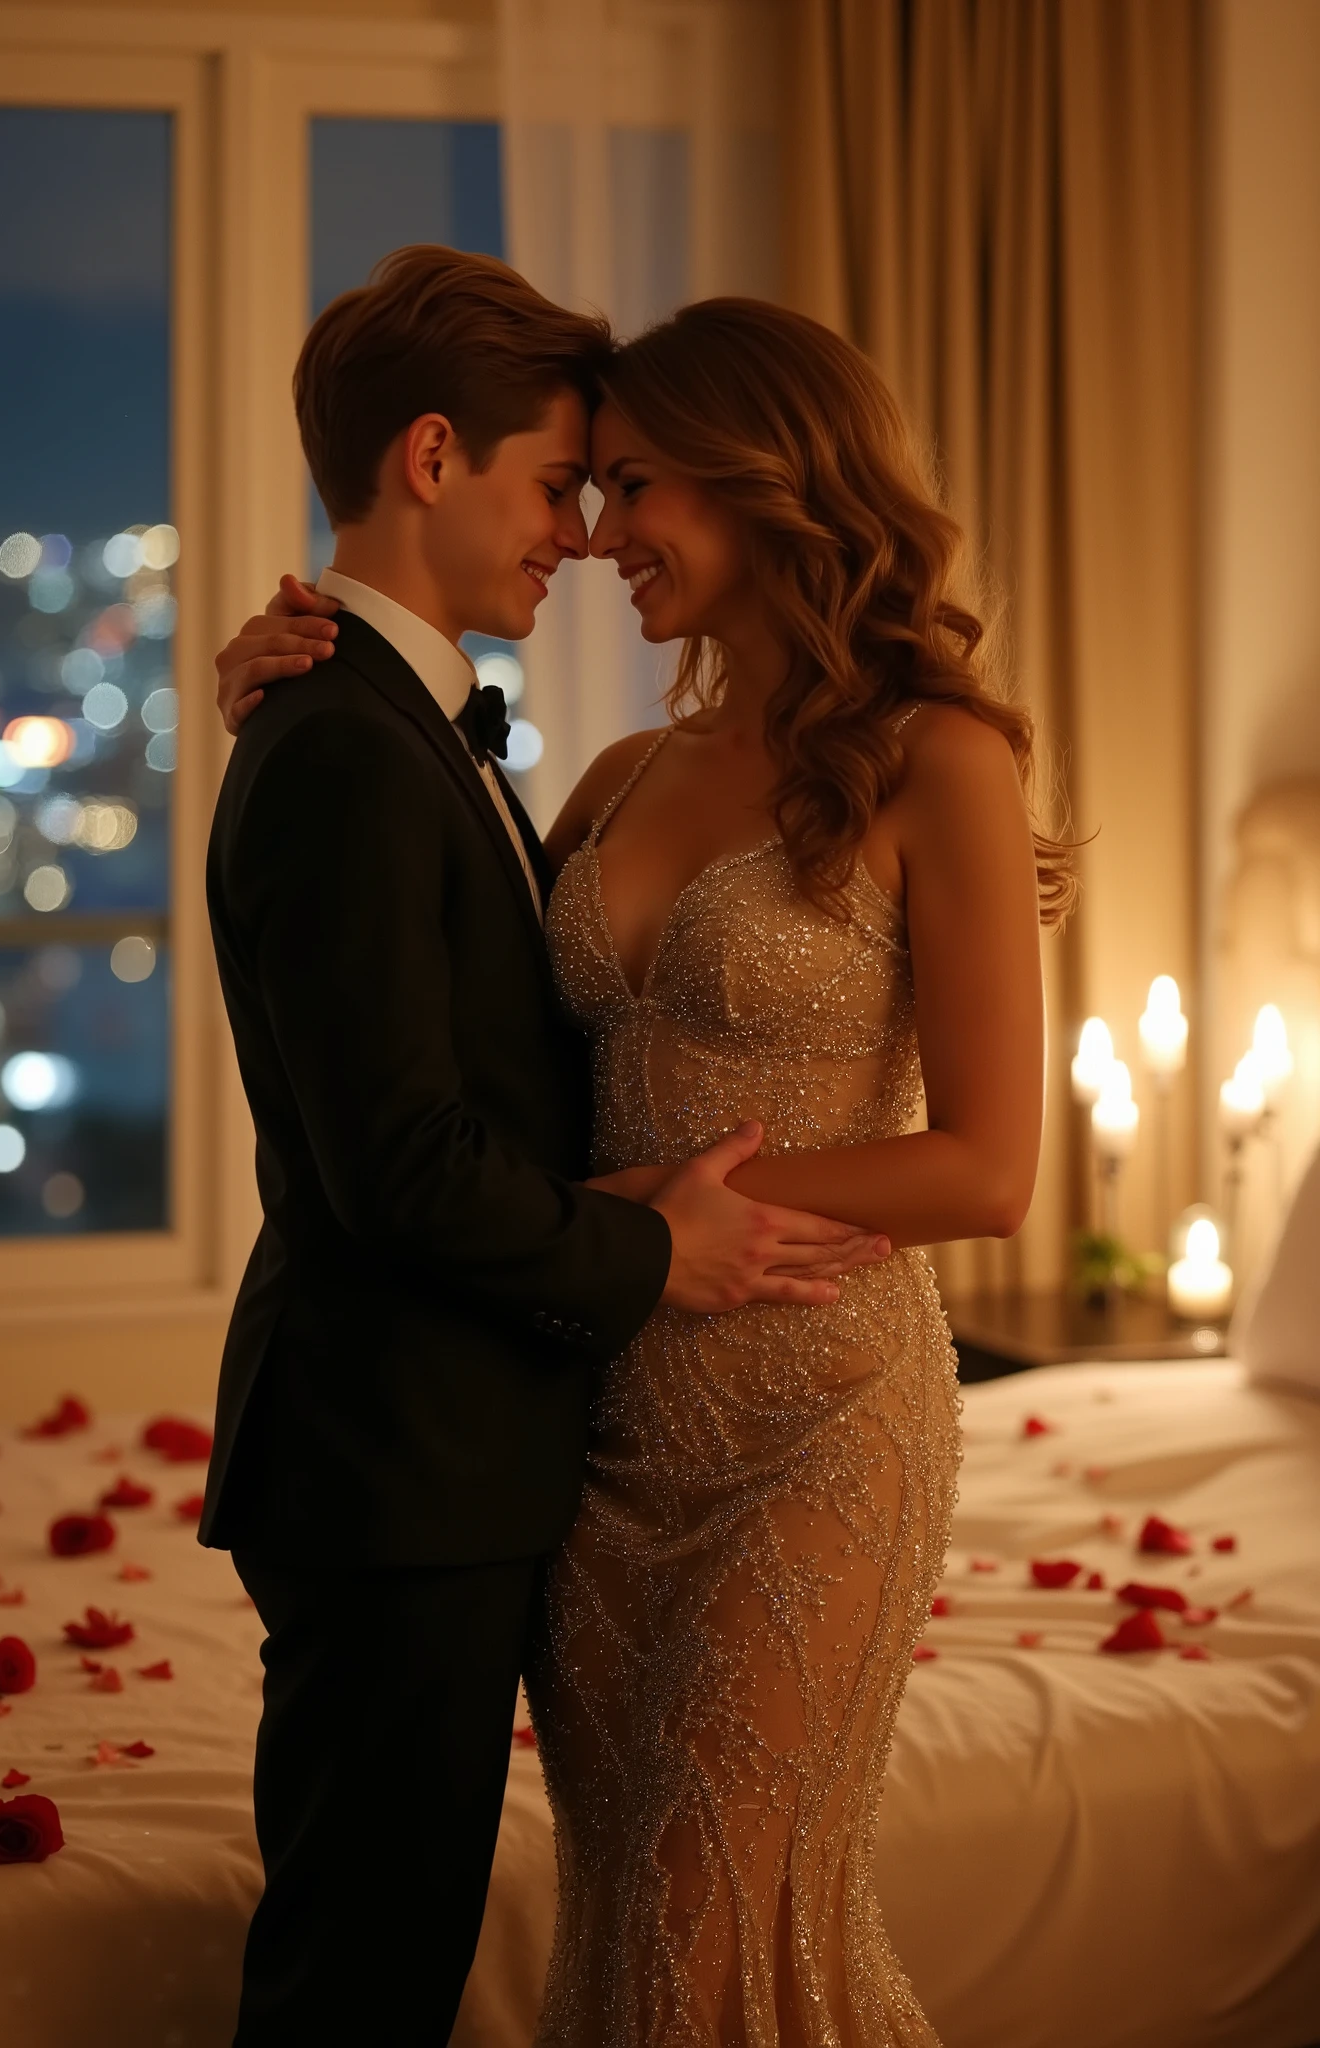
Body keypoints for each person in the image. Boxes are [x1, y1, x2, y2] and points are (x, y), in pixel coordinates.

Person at [216, 289, 1072, 2043]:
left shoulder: (944, 759)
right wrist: (289, 696)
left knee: (707, 1912)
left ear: (771, 482)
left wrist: (688, 1220)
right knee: (630, 1932)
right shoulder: (610, 776)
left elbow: (991, 1170)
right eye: (579, 486)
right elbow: (433, 1017)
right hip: (599, 1438)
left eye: (635, 486)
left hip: (815, 1415)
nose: (597, 535)